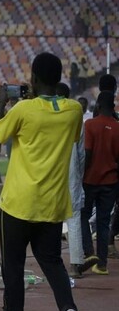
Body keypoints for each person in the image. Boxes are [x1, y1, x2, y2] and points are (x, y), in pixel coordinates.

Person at [0, 52, 81, 311]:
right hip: (52, 202)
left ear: (33, 77)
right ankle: (68, 310)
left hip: (18, 202)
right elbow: (72, 135)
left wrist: (2, 101)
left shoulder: (23, 109)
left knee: (13, 264)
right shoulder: (74, 110)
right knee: (52, 262)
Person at [79, 91, 119, 276]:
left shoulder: (90, 125)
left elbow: (87, 152)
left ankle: (89, 253)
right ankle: (102, 264)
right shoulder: (118, 127)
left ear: (98, 106)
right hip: (110, 181)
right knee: (103, 222)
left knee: (82, 216)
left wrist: (82, 175)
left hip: (90, 180)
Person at [55, 82, 86, 279]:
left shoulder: (48, 114)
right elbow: (82, 151)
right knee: (73, 217)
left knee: (51, 216)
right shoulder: (76, 114)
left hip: (52, 171)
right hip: (72, 170)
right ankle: (76, 264)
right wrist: (79, 175)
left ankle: (52, 261)